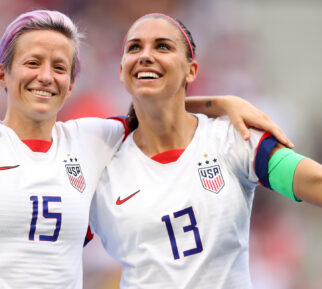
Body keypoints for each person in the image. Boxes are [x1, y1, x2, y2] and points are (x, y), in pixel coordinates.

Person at [0, 0, 294, 286]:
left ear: (71, 84)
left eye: (59, 67)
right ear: (2, 74)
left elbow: (158, 104)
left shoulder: (92, 140)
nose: (45, 76)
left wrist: (219, 103)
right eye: (32, 62)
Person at [88, 13, 322, 289]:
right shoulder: (101, 164)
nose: (145, 55)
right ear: (121, 70)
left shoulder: (234, 138)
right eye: (134, 47)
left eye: (162, 46)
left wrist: (217, 105)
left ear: (192, 70)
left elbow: (314, 181)